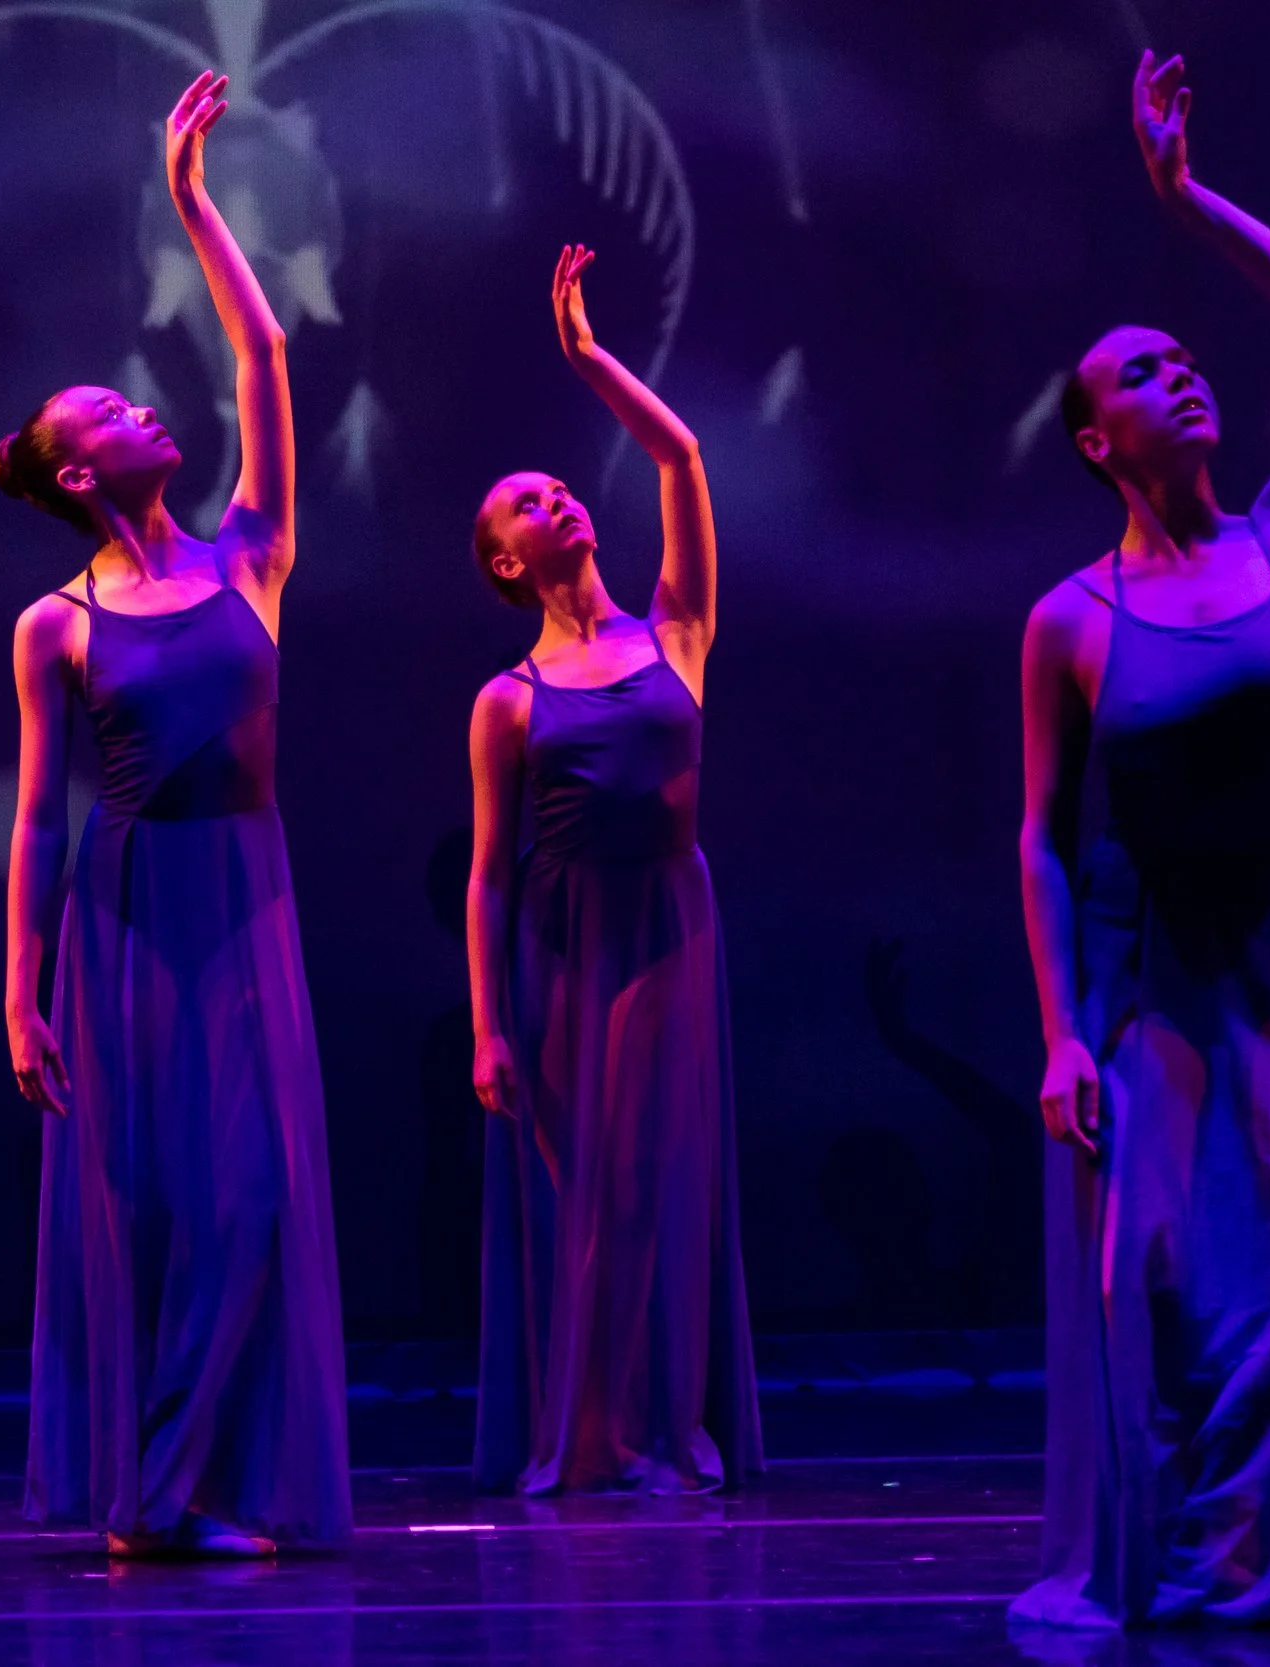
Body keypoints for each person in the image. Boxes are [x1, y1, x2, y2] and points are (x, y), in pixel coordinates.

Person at [1013, 55, 1270, 1626]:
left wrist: (1186, 203)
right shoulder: (1068, 616)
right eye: (1140, 372)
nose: (1180, 373)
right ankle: (1211, 1560)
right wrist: (1060, 1032)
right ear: (1096, 439)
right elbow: (1043, 837)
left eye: (1184, 356)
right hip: (1157, 963)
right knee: (1167, 1278)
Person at [0, 72, 350, 1557]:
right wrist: (20, 993)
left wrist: (192, 195)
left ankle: (191, 1476)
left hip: (248, 896)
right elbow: (31, 819)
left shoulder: (250, 553)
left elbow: (264, 351)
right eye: (114, 411)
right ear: (84, 472)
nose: (149, 405)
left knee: (255, 1199)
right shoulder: (55, 622)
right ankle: (159, 1496)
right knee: (156, 1205)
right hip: (131, 910)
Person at [463, 244, 760, 1496]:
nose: (555, 505)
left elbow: (680, 461)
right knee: (588, 1184)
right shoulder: (508, 698)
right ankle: (590, 1428)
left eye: (554, 490)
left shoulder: (672, 633)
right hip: (565, 938)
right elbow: (485, 873)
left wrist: (591, 362)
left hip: (671, 926)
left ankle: (647, 1420)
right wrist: (487, 1025)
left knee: (660, 1175)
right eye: (524, 506)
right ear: (504, 563)